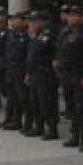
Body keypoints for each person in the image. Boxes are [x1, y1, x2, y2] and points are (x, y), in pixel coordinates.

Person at [54, 5, 83, 152]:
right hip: (66, 75)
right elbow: (59, 50)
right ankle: (75, 136)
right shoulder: (64, 32)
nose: (71, 18)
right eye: (70, 15)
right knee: (71, 107)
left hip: (80, 75)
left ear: (81, 18)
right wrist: (57, 62)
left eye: (74, 15)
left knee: (82, 108)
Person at [25, 10, 59, 140]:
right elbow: (30, 55)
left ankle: (52, 129)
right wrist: (28, 73)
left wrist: (34, 36)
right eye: (30, 21)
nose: (31, 24)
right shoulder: (35, 35)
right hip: (34, 72)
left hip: (45, 73)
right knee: (35, 101)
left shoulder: (47, 33)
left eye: (33, 21)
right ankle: (38, 126)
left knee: (46, 102)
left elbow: (43, 49)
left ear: (40, 22)